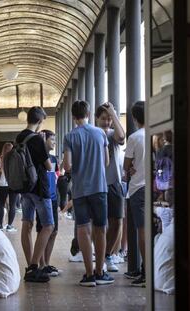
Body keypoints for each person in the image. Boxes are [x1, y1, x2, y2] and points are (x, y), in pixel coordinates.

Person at [63, 100, 114, 287]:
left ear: (73, 116)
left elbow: (67, 166)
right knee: (101, 228)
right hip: (99, 187)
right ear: (89, 113)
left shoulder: (70, 136)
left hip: (79, 190)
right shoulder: (100, 133)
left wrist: (78, 166)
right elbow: (107, 161)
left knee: (83, 229)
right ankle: (101, 272)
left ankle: (89, 274)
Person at [15, 106, 54, 283]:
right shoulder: (38, 139)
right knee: (48, 225)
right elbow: (49, 166)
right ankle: (33, 266)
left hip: (24, 188)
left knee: (27, 224)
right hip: (39, 188)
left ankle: (31, 265)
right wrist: (45, 145)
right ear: (39, 121)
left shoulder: (19, 137)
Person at [95, 102, 126, 273]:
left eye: (109, 119)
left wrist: (114, 114)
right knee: (99, 224)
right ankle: (100, 257)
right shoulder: (93, 134)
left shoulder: (113, 134)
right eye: (104, 119)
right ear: (96, 119)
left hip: (114, 183)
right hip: (97, 184)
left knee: (117, 221)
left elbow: (122, 137)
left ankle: (107, 255)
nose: (107, 122)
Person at [124, 101, 146, 287]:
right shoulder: (156, 134)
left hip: (138, 188)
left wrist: (130, 168)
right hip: (156, 188)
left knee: (142, 230)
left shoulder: (134, 137)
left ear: (134, 118)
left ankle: (146, 271)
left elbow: (126, 165)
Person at [35, 129, 60, 277]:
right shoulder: (39, 158)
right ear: (44, 140)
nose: (54, 142)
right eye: (51, 139)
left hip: (53, 197)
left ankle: (47, 263)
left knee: (54, 231)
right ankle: (41, 263)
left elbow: (55, 176)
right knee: (43, 229)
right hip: (43, 197)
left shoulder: (54, 158)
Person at [0, 142, 18, 232]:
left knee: (1, 204)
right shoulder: (16, 158)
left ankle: (0, 225)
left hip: (3, 184)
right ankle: (10, 226)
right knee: (12, 205)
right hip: (14, 184)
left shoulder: (1, 159)